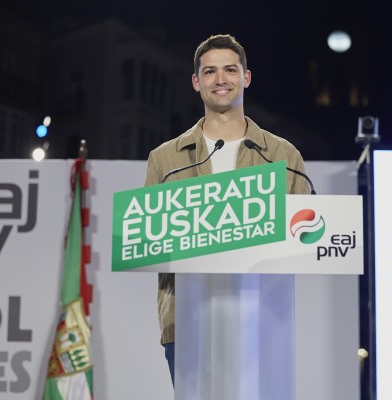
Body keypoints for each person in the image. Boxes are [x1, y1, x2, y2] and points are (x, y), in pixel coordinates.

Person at [143, 33, 311, 386]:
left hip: (261, 319)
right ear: (195, 82)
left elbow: (305, 242)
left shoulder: (283, 156)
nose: (221, 80)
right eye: (210, 72)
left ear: (246, 77)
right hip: (187, 323)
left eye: (230, 70)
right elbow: (149, 242)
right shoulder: (165, 159)